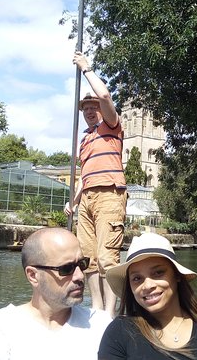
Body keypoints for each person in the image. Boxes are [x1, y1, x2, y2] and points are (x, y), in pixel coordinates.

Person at [0, 228, 112, 359]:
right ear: (33, 276)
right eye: (66, 268)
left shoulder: (101, 324)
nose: (79, 276)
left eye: (82, 264)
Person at [98, 233, 197, 360]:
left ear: (176, 275)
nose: (148, 285)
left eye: (158, 273)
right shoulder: (120, 333)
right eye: (137, 278)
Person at [65, 50, 127, 317]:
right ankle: (97, 308)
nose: (90, 112)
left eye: (94, 109)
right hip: (88, 197)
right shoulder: (86, 139)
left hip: (109, 195)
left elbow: (104, 96)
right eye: (86, 109)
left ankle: (110, 314)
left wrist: (86, 68)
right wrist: (74, 201)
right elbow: (84, 175)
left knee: (106, 258)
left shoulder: (111, 127)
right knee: (88, 260)